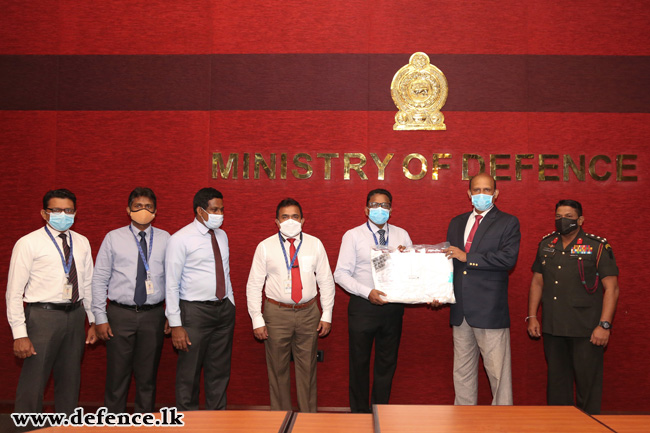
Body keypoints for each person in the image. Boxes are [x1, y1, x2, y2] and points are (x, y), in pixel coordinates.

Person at [6, 189, 97, 415]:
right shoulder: (28, 243)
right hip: (42, 318)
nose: (62, 215)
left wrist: (93, 319)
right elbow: (14, 292)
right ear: (44, 214)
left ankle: (67, 427)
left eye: (68, 210)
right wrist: (20, 334)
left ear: (75, 212)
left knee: (70, 380)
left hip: (76, 316)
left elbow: (87, 285)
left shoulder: (82, 242)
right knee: (34, 382)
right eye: (56, 210)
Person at [527, 199, 619, 415]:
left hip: (586, 329)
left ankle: (590, 427)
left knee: (588, 386)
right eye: (558, 216)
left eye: (568, 216)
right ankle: (560, 427)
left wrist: (604, 325)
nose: (562, 220)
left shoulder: (597, 246)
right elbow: (537, 282)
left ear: (580, 219)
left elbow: (612, 288)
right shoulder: (546, 244)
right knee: (557, 386)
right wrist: (532, 316)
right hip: (553, 327)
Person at [246, 198, 335, 412]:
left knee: (308, 370)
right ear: (277, 222)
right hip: (276, 314)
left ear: (303, 220)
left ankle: (308, 419)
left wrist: (327, 315)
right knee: (277, 371)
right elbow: (254, 284)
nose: (290, 221)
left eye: (295, 216)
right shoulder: (265, 247)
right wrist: (257, 319)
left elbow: (326, 280)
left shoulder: (315, 244)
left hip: (309, 313)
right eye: (285, 217)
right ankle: (280, 418)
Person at [91, 187, 171, 413]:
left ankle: (143, 424)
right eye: (138, 206)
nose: (143, 210)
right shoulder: (113, 238)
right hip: (119, 314)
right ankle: (113, 426)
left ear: (156, 211)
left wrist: (172, 315)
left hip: (153, 315)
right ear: (128, 210)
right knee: (117, 378)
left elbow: (174, 280)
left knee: (147, 379)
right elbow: (99, 279)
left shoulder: (166, 239)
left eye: (148, 206)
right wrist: (99, 317)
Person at [443, 172, 520, 405]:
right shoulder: (456, 222)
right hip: (460, 310)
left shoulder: (508, 222)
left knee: (498, 375)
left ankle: (503, 424)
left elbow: (508, 260)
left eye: (487, 190)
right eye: (476, 190)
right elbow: (448, 265)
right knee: (462, 374)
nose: (481, 194)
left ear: (496, 194)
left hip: (489, 310)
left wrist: (468, 257)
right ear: (469, 194)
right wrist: (440, 293)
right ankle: (464, 423)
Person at [334, 188, 412, 413]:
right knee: (359, 364)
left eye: (385, 205)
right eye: (375, 205)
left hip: (393, 308)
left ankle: (380, 413)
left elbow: (412, 272)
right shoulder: (353, 235)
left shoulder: (401, 235)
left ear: (391, 209)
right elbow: (340, 274)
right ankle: (358, 415)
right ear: (366, 209)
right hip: (363, 307)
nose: (380, 209)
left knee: (386, 365)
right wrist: (367, 292)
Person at [165, 187, 236, 410]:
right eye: (214, 210)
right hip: (194, 313)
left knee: (219, 372)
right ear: (199, 210)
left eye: (222, 210)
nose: (220, 214)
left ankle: (216, 421)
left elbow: (224, 271)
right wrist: (176, 323)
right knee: (189, 374)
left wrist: (230, 302)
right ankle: (189, 424)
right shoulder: (180, 239)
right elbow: (171, 282)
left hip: (223, 311)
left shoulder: (222, 235)